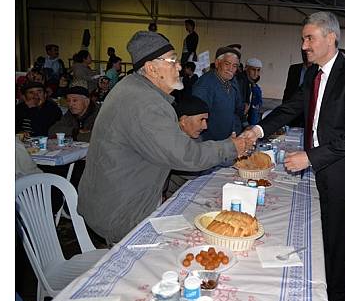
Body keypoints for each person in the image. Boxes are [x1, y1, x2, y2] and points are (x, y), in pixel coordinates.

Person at [242, 11, 345, 301]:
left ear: (331, 37)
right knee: (322, 235)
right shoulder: (313, 74)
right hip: (323, 169)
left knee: (337, 243)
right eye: (303, 39)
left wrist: (310, 157)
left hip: (344, 176)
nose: (304, 45)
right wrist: (258, 130)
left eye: (309, 38)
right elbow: (291, 108)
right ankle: (322, 290)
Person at [78, 31, 250, 243]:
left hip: (110, 201)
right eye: (172, 61)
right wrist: (231, 147)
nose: (179, 66)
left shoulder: (134, 88)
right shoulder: (146, 103)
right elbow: (184, 155)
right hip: (120, 213)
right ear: (151, 67)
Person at [192, 46, 244, 141]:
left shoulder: (231, 83)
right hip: (209, 144)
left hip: (227, 141)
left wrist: (236, 130)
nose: (231, 69)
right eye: (227, 64)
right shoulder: (205, 84)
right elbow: (197, 118)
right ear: (217, 63)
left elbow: (235, 111)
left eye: (235, 66)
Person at [282, 49, 312, 128]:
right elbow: (288, 90)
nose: (305, 55)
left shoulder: (317, 70)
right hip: (293, 110)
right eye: (303, 53)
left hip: (309, 113)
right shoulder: (294, 69)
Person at [245, 58, 263, 125]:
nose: (256, 73)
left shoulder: (256, 87)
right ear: (247, 68)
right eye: (253, 69)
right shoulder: (242, 84)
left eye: (258, 70)